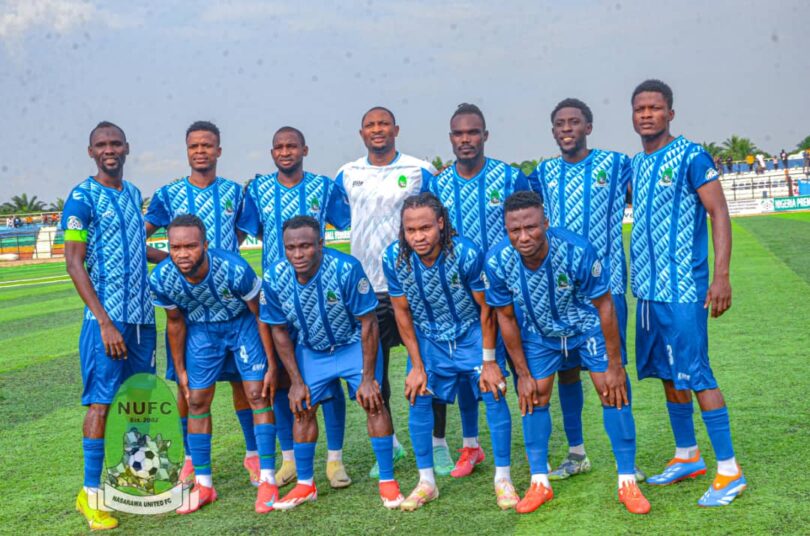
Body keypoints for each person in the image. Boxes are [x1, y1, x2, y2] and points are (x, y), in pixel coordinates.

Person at [485, 191, 649, 515]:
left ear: (545, 223)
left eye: (531, 227)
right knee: (533, 395)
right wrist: (522, 373)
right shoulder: (497, 261)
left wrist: (615, 364)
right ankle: (539, 483)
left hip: (585, 328)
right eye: (514, 230)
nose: (523, 237)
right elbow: (505, 316)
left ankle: (627, 482)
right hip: (540, 333)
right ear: (506, 230)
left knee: (612, 390)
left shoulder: (577, 250)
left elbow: (605, 305)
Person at [630, 79, 744, 507]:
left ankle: (729, 471)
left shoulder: (691, 156)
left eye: (655, 108)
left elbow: (718, 211)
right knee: (667, 372)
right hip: (648, 292)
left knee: (697, 374)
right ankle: (687, 455)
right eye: (640, 108)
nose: (647, 114)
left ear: (670, 114)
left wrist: (722, 275)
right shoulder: (638, 164)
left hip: (683, 288)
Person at [529, 98, 644, 483]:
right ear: (553, 131)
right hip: (559, 291)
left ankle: (628, 460)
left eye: (574, 122)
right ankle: (576, 452)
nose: (567, 129)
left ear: (588, 127)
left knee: (613, 367)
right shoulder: (543, 172)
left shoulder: (616, 164)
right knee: (566, 373)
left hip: (606, 287)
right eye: (560, 123)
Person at [383, 193, 516, 511]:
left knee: (493, 391)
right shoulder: (394, 258)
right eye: (411, 230)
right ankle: (426, 482)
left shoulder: (466, 253)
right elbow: (401, 312)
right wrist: (417, 365)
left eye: (425, 228)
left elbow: (486, 309)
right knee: (417, 394)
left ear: (441, 223)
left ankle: (503, 479)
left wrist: (488, 361)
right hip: (429, 338)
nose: (418, 237)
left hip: (471, 331)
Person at [144, 121, 260, 488]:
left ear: (218, 150)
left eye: (207, 145)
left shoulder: (234, 193)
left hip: (230, 305)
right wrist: (171, 261)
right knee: (188, 389)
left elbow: (240, 235)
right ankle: (192, 460)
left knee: (242, 383)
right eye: (194, 146)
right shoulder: (168, 194)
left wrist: (220, 263)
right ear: (187, 150)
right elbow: (140, 237)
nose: (200, 151)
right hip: (189, 309)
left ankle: (253, 454)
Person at [261, 216, 405, 510]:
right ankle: (305, 485)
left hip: (352, 345)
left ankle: (388, 482)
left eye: (305, 246)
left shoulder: (346, 268)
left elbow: (369, 323)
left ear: (320, 244)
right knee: (302, 407)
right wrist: (296, 382)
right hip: (312, 350)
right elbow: (278, 331)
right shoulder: (274, 278)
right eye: (291, 248)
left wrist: (368, 378)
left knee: (373, 402)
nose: (298, 254)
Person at [239, 126, 352, 489]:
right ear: (272, 152)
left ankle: (335, 459)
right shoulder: (258, 189)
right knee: (283, 379)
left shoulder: (324, 186)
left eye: (292, 146)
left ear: (305, 149)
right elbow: (251, 231)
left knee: (329, 378)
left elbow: (348, 221)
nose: (285, 152)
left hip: (321, 294)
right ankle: (289, 458)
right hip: (278, 296)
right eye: (279, 147)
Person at [422, 103, 529, 475]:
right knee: (470, 375)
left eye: (472, 132)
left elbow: (528, 224)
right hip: (460, 298)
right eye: (458, 133)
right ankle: (471, 446)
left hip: (508, 293)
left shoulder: (509, 177)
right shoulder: (437, 185)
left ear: (485, 135)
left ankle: (536, 450)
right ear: (450, 138)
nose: (465, 139)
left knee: (523, 369)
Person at [149, 215, 278, 514]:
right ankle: (204, 485)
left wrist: (271, 363)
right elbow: (175, 322)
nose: (182, 254)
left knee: (257, 394)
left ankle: (268, 479)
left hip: (242, 325)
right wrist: (180, 370)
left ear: (205, 245)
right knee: (195, 400)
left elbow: (260, 314)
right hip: (201, 330)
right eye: (175, 247)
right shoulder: (162, 278)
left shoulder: (234, 269)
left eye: (191, 246)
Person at [63, 121, 158, 530]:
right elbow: (73, 262)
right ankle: (90, 495)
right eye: (101, 144)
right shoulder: (81, 197)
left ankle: (136, 483)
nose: (109, 150)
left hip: (142, 319)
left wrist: (176, 258)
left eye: (116, 143)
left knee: (139, 403)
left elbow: (137, 247)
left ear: (127, 148)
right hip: (107, 320)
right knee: (101, 404)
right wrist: (104, 322)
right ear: (91, 152)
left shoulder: (133, 194)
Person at [335, 106, 437, 477]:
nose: (377, 129)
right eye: (370, 125)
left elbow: (436, 218)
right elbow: (339, 217)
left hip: (412, 285)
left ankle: (437, 443)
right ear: (361, 133)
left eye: (383, 124)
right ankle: (389, 442)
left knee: (426, 366)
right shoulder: (347, 174)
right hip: (368, 289)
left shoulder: (419, 170)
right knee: (374, 374)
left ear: (396, 129)